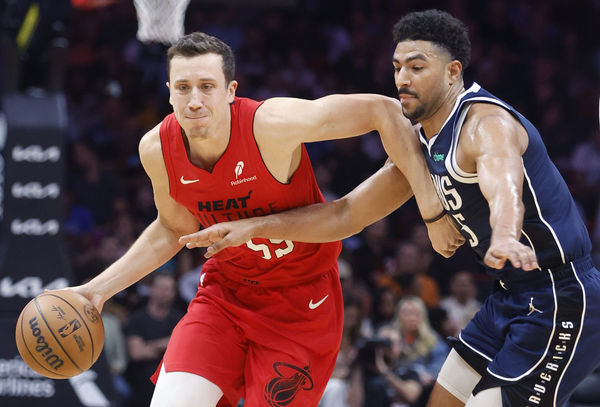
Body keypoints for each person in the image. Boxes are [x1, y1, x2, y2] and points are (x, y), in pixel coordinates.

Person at [180, 10, 600, 407]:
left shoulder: (484, 124)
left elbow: (504, 181)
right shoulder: (419, 142)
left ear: (454, 71)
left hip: (561, 298)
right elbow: (345, 215)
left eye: (417, 67)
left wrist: (506, 232)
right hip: (509, 296)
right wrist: (253, 228)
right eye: (398, 66)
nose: (403, 78)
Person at [62, 32, 462, 407]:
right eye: (182, 87)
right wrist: (98, 291)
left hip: (301, 304)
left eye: (206, 86)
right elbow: (174, 228)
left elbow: (383, 109)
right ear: (169, 92)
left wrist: (433, 209)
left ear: (231, 91)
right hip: (226, 295)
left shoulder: (270, 126)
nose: (194, 100)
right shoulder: (157, 148)